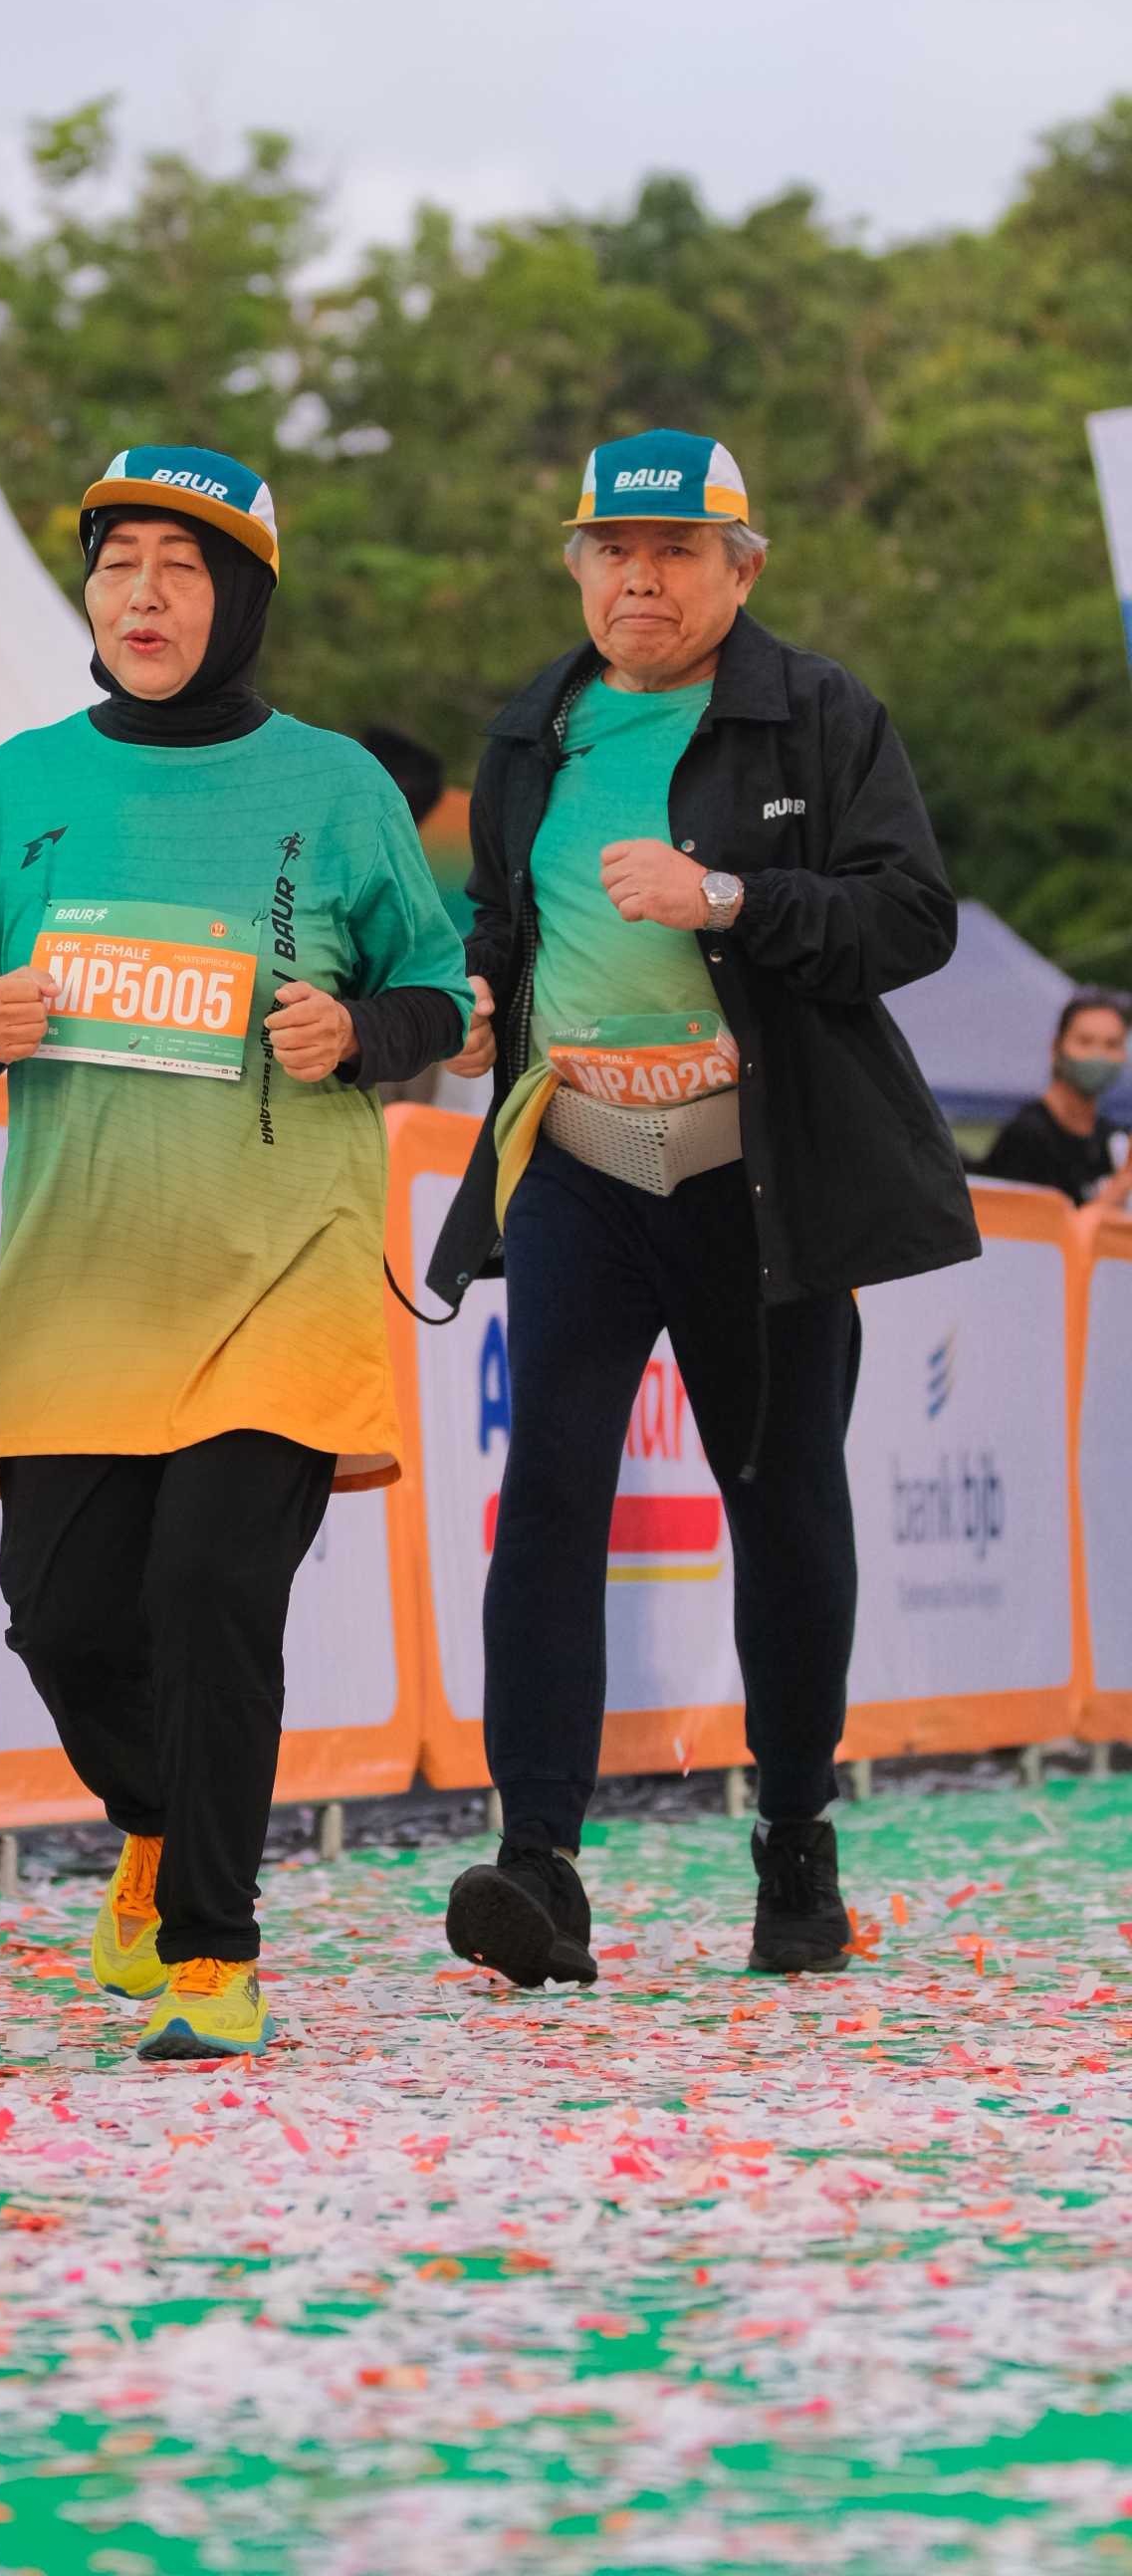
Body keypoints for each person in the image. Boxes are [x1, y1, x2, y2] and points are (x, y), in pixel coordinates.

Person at [0, 442, 472, 2057]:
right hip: (80, 1279)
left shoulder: (338, 790)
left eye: (182, 567)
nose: (143, 598)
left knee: (214, 1587)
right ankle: (155, 1829)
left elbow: (442, 996)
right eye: (117, 565)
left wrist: (356, 1031)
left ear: (243, 599)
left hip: (280, 1264)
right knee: (62, 1618)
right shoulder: (22, 781)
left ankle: (216, 1953)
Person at [425, 428, 979, 1985]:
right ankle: (539, 1865)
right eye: (613, 550)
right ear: (576, 566)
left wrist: (727, 897)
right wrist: (478, 996)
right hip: (579, 1157)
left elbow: (913, 918)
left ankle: (796, 1844)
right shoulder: (531, 727)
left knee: (782, 1500)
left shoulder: (820, 711)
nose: (642, 578)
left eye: (676, 551)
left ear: (743, 568)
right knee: (549, 1495)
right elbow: (500, 917)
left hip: (755, 1169)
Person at [978, 995, 1132, 1222]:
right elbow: (1036, 1235)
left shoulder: (1114, 1138)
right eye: (1085, 1042)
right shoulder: (1027, 1137)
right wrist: (1121, 1185)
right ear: (1056, 1048)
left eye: (1112, 1045)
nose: (1098, 1055)